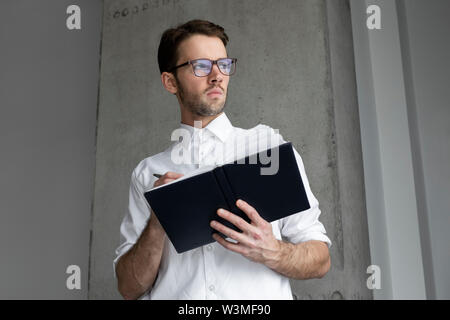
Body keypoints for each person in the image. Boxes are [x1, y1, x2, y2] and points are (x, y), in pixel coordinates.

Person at [114, 19, 331, 300]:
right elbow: (128, 288)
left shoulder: (267, 150)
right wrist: (158, 221)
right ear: (170, 81)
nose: (216, 75)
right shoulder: (148, 173)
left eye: (223, 64)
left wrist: (273, 251)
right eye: (201, 66)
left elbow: (321, 259)